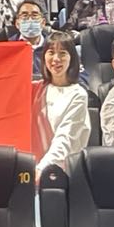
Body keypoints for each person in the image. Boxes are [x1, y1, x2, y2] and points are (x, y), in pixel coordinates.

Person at [39, 31, 91, 172]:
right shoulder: (36, 89)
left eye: (62, 53)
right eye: (51, 52)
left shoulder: (78, 95)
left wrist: (41, 169)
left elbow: (65, 139)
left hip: (64, 171)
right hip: (33, 166)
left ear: (72, 58)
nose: (56, 59)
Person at [6, 0, 50, 74]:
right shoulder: (9, 47)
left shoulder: (51, 46)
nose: (30, 20)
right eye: (25, 15)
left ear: (43, 23)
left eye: (34, 15)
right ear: (17, 23)